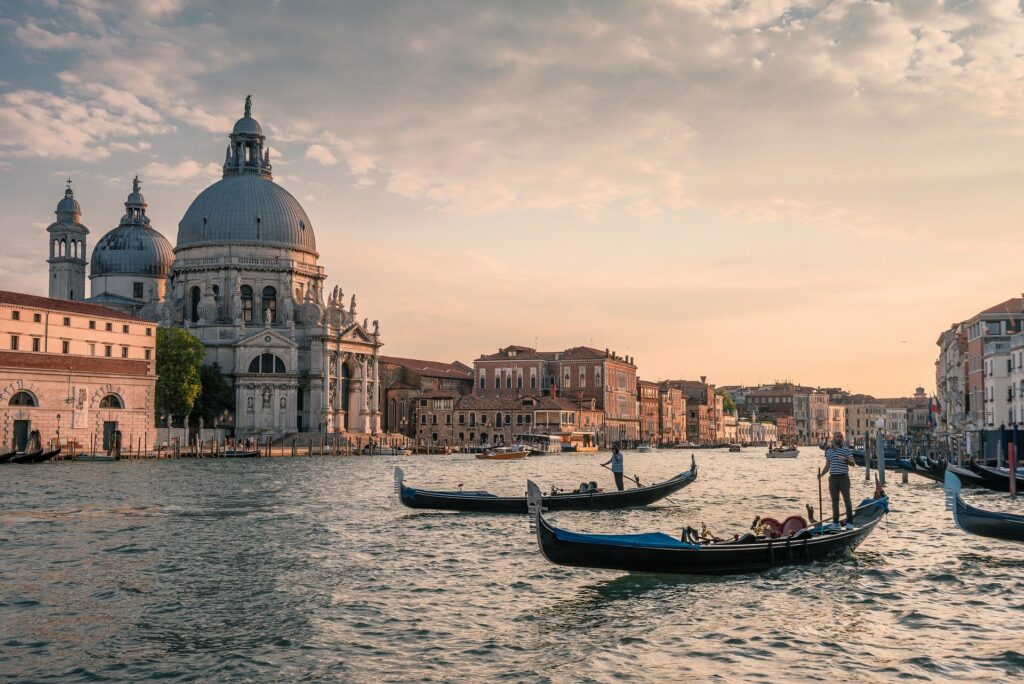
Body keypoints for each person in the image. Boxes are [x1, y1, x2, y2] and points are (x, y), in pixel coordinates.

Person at [819, 432, 856, 529]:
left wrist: (845, 460)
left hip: (844, 478)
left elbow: (853, 463)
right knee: (834, 502)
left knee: (847, 501)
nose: (839, 439)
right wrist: (821, 474)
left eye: (840, 437)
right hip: (833, 479)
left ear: (842, 439)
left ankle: (849, 523)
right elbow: (827, 466)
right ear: (834, 438)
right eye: (837, 437)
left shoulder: (846, 450)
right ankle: (835, 523)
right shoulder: (829, 451)